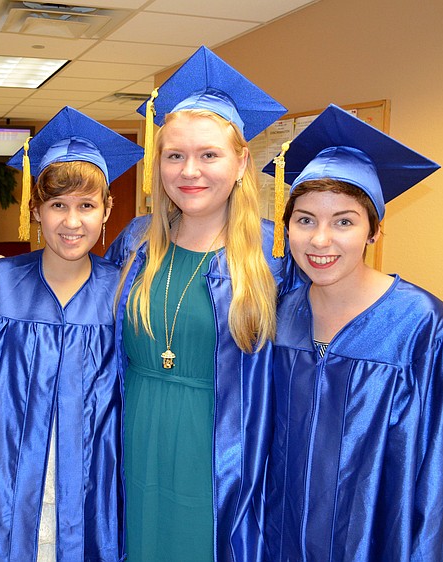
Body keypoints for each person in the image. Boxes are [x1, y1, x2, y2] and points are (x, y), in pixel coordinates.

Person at [261, 104, 443, 561]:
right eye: (305, 219)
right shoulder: (279, 315)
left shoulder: (418, 324)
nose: (321, 240)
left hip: (375, 540)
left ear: (374, 231)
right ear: (286, 228)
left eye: (344, 221)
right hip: (279, 538)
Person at [105, 45, 292, 561]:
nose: (190, 170)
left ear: (241, 162)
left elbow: (334, 313)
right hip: (133, 440)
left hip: (218, 454)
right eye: (175, 155)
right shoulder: (136, 242)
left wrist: (407, 318)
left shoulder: (275, 255)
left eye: (209, 154)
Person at [0, 106, 143, 561]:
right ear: (36, 210)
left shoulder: (125, 292)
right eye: (57, 206)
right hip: (5, 491)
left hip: (93, 491)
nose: (72, 222)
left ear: (107, 209)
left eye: (87, 206)